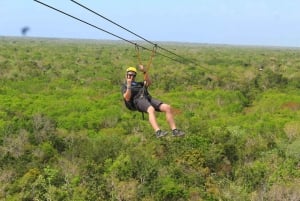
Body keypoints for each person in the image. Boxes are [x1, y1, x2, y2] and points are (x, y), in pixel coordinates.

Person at [122, 65, 185, 138]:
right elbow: (127, 98)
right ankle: (158, 132)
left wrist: (145, 71)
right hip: (138, 100)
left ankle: (175, 131)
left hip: (147, 97)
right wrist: (129, 85)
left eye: (133, 75)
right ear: (126, 75)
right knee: (151, 109)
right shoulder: (124, 86)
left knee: (167, 107)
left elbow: (148, 82)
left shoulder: (139, 84)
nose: (131, 77)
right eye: (129, 75)